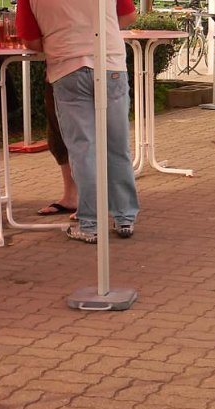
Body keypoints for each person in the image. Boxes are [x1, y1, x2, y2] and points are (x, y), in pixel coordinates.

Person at [17, 0, 140, 243]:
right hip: (110, 62)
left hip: (67, 66)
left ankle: (90, 223)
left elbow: (30, 41)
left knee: (83, 150)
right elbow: (128, 16)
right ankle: (124, 216)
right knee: (117, 145)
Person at [36, 81, 78, 216]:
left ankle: (90, 202)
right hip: (58, 76)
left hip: (74, 75)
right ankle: (72, 197)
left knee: (82, 137)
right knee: (58, 136)